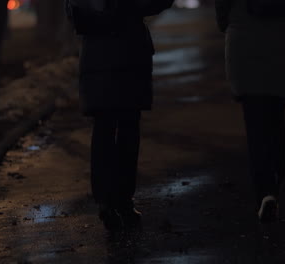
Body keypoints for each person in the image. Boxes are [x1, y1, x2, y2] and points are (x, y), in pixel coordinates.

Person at [65, 0, 174, 231]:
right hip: (126, 53)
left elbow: (76, 14)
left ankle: (110, 200)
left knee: (108, 128)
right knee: (125, 129)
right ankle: (119, 199)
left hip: (105, 56)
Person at [215, 0, 285, 222]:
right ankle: (276, 177)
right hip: (282, 32)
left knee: (255, 120)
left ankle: (265, 191)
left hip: (244, 32)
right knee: (276, 114)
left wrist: (225, 20)